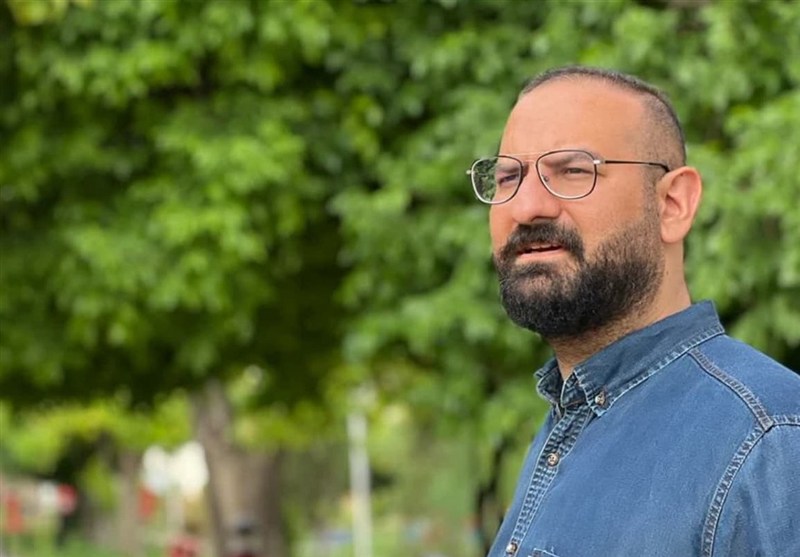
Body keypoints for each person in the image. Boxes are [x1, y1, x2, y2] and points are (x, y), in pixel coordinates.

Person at [467, 66, 800, 557]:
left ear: (673, 204)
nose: (527, 207)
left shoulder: (771, 444)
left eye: (573, 171)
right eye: (508, 177)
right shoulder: (565, 429)